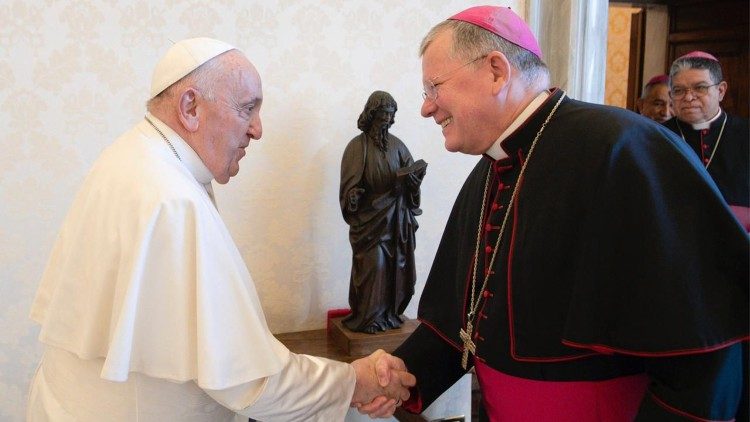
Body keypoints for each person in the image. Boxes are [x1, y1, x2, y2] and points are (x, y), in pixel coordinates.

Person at [365, 6, 748, 421]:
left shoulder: (623, 149)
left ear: (496, 71)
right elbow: (466, 319)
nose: (427, 108)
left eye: (434, 87)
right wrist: (404, 372)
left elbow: (704, 351)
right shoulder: (492, 167)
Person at [26, 37, 414, 421]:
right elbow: (249, 381)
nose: (257, 130)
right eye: (247, 109)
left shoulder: (132, 156)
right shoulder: (172, 199)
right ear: (190, 106)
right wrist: (353, 381)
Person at [340, 91, 426, 334]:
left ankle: (389, 315)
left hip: (396, 221)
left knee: (395, 270)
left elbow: (412, 181)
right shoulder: (357, 148)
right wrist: (353, 197)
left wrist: (413, 183)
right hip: (370, 222)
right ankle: (369, 318)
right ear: (372, 114)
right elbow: (348, 188)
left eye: (391, 116)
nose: (387, 121)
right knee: (375, 266)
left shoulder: (398, 146)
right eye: (383, 116)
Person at [663, 51, 749, 231]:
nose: (688, 97)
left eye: (700, 88)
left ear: (721, 91)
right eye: (678, 90)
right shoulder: (656, 135)